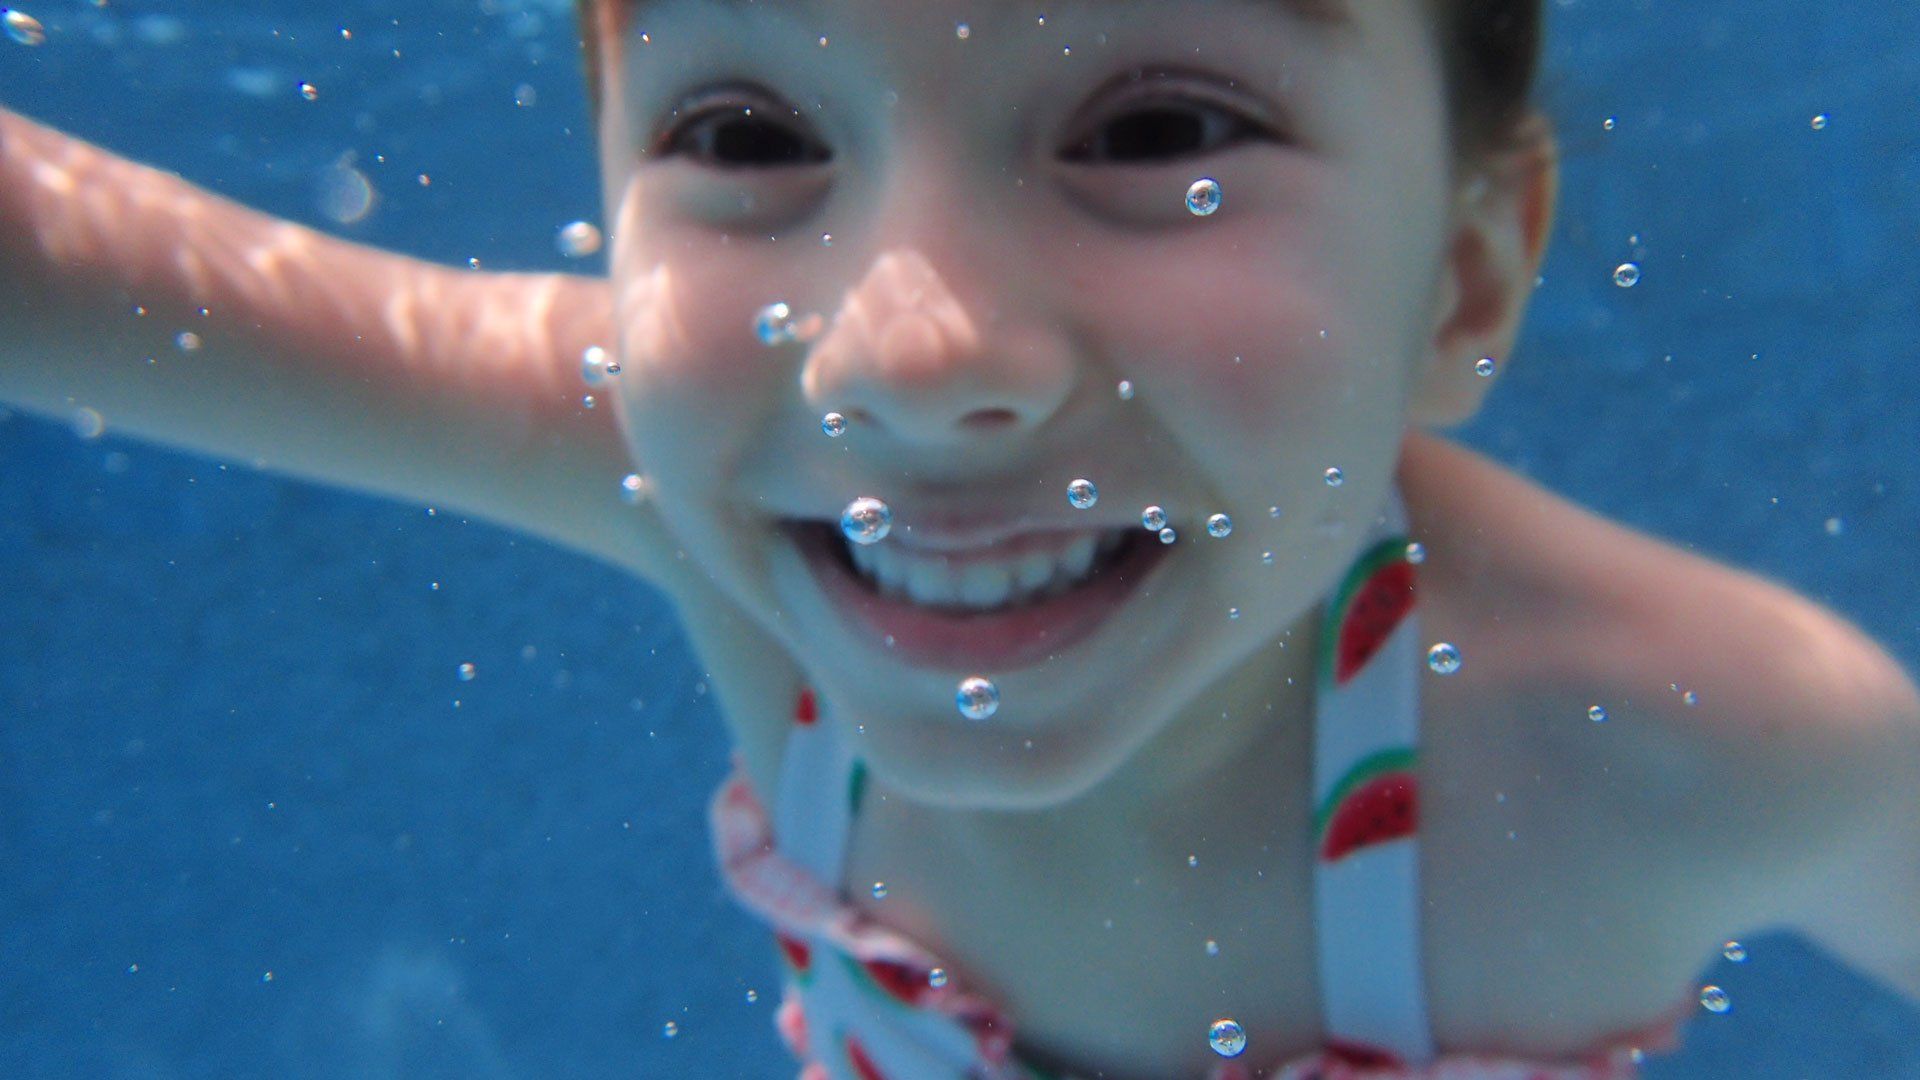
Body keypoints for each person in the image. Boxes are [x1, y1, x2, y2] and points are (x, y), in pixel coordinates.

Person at [3, 0, 1917, 1076]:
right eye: (750, 136)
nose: (910, 359)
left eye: (1159, 125)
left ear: (1466, 273)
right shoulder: (676, 459)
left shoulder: (1700, 736)